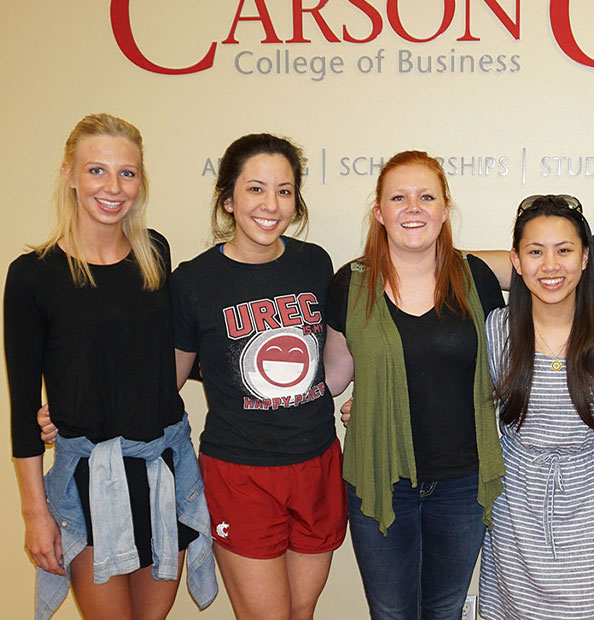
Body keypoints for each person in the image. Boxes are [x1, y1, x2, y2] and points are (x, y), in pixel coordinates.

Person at [5, 114, 215, 620]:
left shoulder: (155, 254)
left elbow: (172, 355)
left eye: (127, 173)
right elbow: (21, 408)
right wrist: (36, 513)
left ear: (141, 181)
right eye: (97, 170)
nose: (113, 187)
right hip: (88, 479)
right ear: (69, 174)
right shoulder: (33, 275)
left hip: (163, 469)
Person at [171, 133, 348, 620]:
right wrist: (78, 410)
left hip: (315, 460)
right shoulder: (193, 281)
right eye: (256, 189)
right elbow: (168, 380)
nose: (272, 205)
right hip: (241, 472)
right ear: (227, 199)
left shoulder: (315, 263)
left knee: (301, 611)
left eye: (285, 190)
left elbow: (333, 360)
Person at [326, 150, 504, 620]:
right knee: (390, 611)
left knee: (445, 609)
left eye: (427, 197)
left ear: (445, 210)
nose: (413, 208)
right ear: (379, 212)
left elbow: (538, 260)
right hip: (380, 477)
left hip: (461, 484)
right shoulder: (350, 284)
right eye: (398, 197)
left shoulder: (477, 279)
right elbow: (333, 377)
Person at [479, 194, 594, 620]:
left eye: (564, 250)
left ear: (584, 258)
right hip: (516, 503)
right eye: (535, 252)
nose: (550, 266)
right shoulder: (497, 330)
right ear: (516, 261)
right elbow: (446, 389)